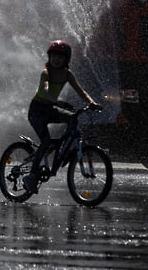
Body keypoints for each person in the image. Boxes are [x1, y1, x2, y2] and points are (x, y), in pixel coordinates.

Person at [23, 39, 100, 194]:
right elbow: (45, 89)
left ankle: (60, 148)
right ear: (49, 57)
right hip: (37, 110)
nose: (56, 59)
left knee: (72, 118)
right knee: (45, 141)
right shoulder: (46, 72)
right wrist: (58, 102)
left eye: (60, 57)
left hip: (51, 109)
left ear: (66, 59)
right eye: (53, 56)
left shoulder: (67, 74)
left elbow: (80, 91)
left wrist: (93, 103)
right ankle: (31, 175)